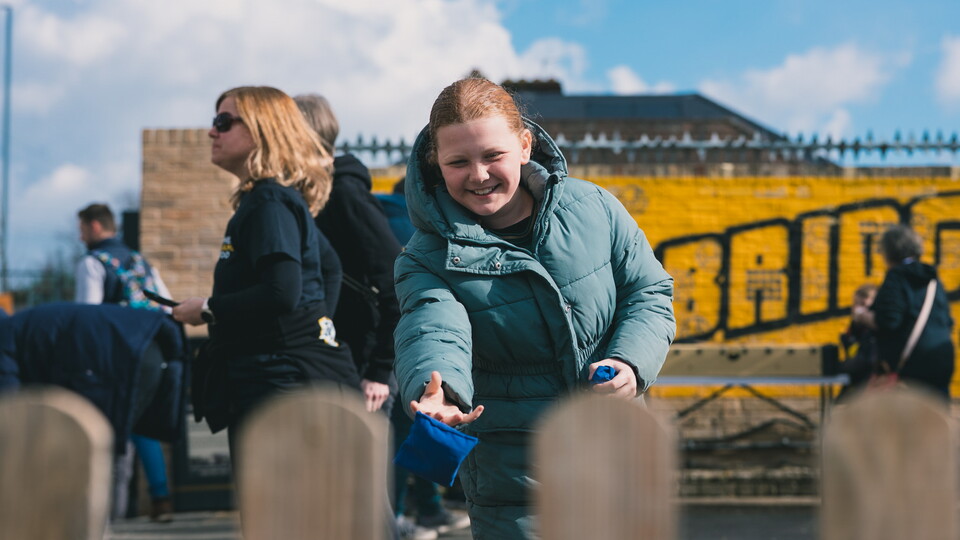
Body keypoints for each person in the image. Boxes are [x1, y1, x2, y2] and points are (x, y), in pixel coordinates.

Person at [393, 77, 676, 539]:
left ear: (525, 146)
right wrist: (437, 393)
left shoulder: (594, 208)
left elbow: (648, 293)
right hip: (515, 477)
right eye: (458, 162)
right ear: (436, 165)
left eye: (492, 156)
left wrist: (629, 362)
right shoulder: (425, 258)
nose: (479, 175)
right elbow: (432, 327)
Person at [171, 86, 361, 455]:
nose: (212, 132)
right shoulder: (273, 199)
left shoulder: (269, 201)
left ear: (262, 129)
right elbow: (331, 268)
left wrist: (208, 309)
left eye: (223, 122)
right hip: (289, 378)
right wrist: (315, 328)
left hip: (280, 385)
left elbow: (282, 292)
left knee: (281, 510)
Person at [293, 94, 401, 416]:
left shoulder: (345, 194)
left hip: (362, 372)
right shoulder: (307, 195)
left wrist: (378, 373)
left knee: (366, 466)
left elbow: (397, 280)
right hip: (333, 364)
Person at [75, 203, 175, 522]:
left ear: (93, 226)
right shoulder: (140, 262)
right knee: (142, 424)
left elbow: (87, 317)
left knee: (113, 427)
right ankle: (160, 500)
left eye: (80, 229)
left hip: (114, 354)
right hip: (151, 351)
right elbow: (167, 306)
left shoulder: (93, 263)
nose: (79, 237)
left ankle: (110, 514)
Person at [851, 224, 954, 400]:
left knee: (908, 422)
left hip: (912, 366)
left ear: (889, 251)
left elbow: (889, 321)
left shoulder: (896, 277)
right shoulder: (932, 279)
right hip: (941, 358)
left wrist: (861, 314)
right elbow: (948, 322)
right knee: (935, 419)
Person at [837, 283, 879, 401]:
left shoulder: (877, 332)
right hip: (855, 382)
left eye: (863, 305)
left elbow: (867, 361)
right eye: (856, 305)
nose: (858, 310)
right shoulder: (856, 328)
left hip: (869, 386)